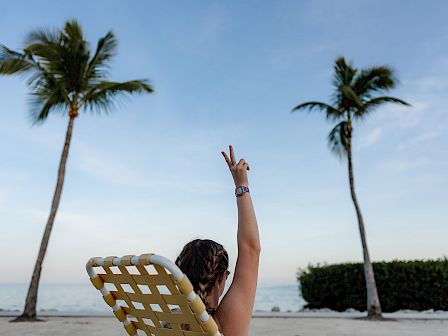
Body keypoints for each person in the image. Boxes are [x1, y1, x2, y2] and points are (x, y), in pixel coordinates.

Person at [175, 145, 261, 336]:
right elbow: (250, 249)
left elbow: (251, 249)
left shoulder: (168, 318)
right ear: (221, 277)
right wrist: (241, 185)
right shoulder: (223, 324)